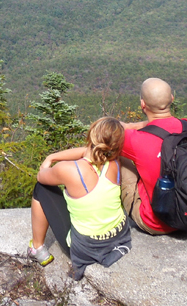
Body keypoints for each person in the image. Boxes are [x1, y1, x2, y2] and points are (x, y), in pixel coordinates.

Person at [27, 117, 132, 280]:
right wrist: (53, 156)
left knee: (41, 189)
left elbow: (41, 176)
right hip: (118, 236)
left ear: (90, 135)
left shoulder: (68, 169)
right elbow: (86, 151)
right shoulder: (115, 163)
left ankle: (37, 249)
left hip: (88, 247)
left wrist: (48, 161)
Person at [120, 77, 187, 235]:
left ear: (143, 104)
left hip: (155, 222)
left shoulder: (134, 139)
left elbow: (108, 129)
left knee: (117, 155)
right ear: (172, 99)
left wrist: (129, 126)